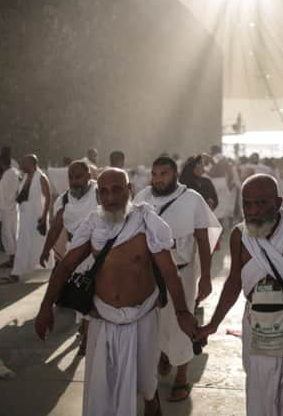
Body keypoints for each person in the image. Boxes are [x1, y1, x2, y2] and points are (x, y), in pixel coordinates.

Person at [34, 168, 198, 416]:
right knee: (104, 386)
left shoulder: (147, 221)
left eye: (117, 189)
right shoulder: (92, 223)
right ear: (98, 196)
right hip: (103, 318)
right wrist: (45, 307)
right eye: (105, 192)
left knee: (146, 383)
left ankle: (152, 403)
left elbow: (168, 270)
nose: (111, 197)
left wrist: (183, 312)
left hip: (142, 316)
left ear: (129, 191)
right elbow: (66, 265)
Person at [195, 174, 283, 416]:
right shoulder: (239, 235)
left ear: (278, 202)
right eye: (247, 204)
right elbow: (234, 281)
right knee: (259, 398)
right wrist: (213, 324)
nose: (253, 211)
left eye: (261, 203)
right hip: (256, 328)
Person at [134, 156, 221, 401]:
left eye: (164, 173)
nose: (158, 179)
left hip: (184, 272)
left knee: (182, 321)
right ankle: (163, 354)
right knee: (152, 322)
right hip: (149, 274)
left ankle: (181, 376)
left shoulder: (192, 199)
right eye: (155, 173)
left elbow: (203, 240)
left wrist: (206, 277)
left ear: (174, 175)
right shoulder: (142, 199)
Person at [38, 161, 98, 354]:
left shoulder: (100, 193)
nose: (74, 181)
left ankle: (87, 339)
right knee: (80, 296)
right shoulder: (63, 200)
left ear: (89, 176)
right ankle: (85, 327)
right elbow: (56, 227)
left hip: (98, 253)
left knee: (93, 296)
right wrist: (45, 250)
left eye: (79, 176)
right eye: (71, 177)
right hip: (75, 254)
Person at [3, 155, 52, 283]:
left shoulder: (41, 177)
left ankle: (45, 271)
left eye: (24, 163)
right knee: (23, 244)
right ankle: (17, 272)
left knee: (40, 244)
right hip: (25, 218)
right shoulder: (24, 177)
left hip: (37, 217)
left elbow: (48, 197)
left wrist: (44, 216)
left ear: (31, 163)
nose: (22, 165)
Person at [0, 155, 20, 268]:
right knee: (13, 234)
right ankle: (14, 259)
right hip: (13, 208)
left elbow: (3, 192)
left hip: (8, 209)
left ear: (1, 162)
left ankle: (12, 260)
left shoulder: (8, 174)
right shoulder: (14, 172)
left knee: (9, 235)